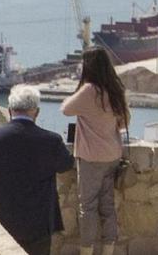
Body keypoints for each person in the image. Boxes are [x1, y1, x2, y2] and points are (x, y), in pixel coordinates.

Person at [0, 85, 75, 255]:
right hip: (38, 222)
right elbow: (66, 164)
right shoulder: (51, 140)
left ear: (9, 110)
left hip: (1, 218)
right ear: (36, 112)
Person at [61, 46, 130, 255]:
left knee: (88, 207)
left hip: (91, 157)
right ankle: (108, 250)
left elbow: (65, 109)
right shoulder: (115, 90)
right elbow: (124, 122)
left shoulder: (90, 90)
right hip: (112, 156)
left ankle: (87, 251)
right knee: (107, 206)